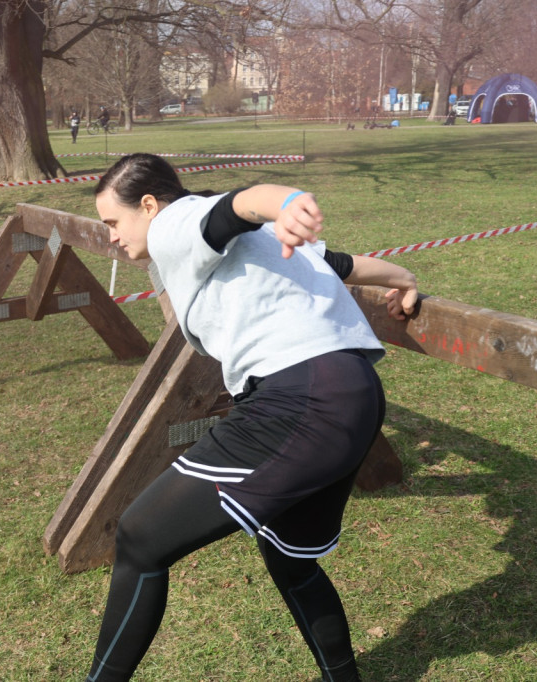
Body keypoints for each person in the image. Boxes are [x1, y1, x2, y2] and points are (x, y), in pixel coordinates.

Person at [86, 153, 419, 682]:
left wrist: (286, 202)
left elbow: (238, 206)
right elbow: (339, 264)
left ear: (148, 205)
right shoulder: (254, 244)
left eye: (113, 222)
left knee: (140, 538)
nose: (111, 237)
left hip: (299, 401)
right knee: (290, 560)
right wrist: (403, 276)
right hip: (354, 391)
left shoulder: (174, 222)